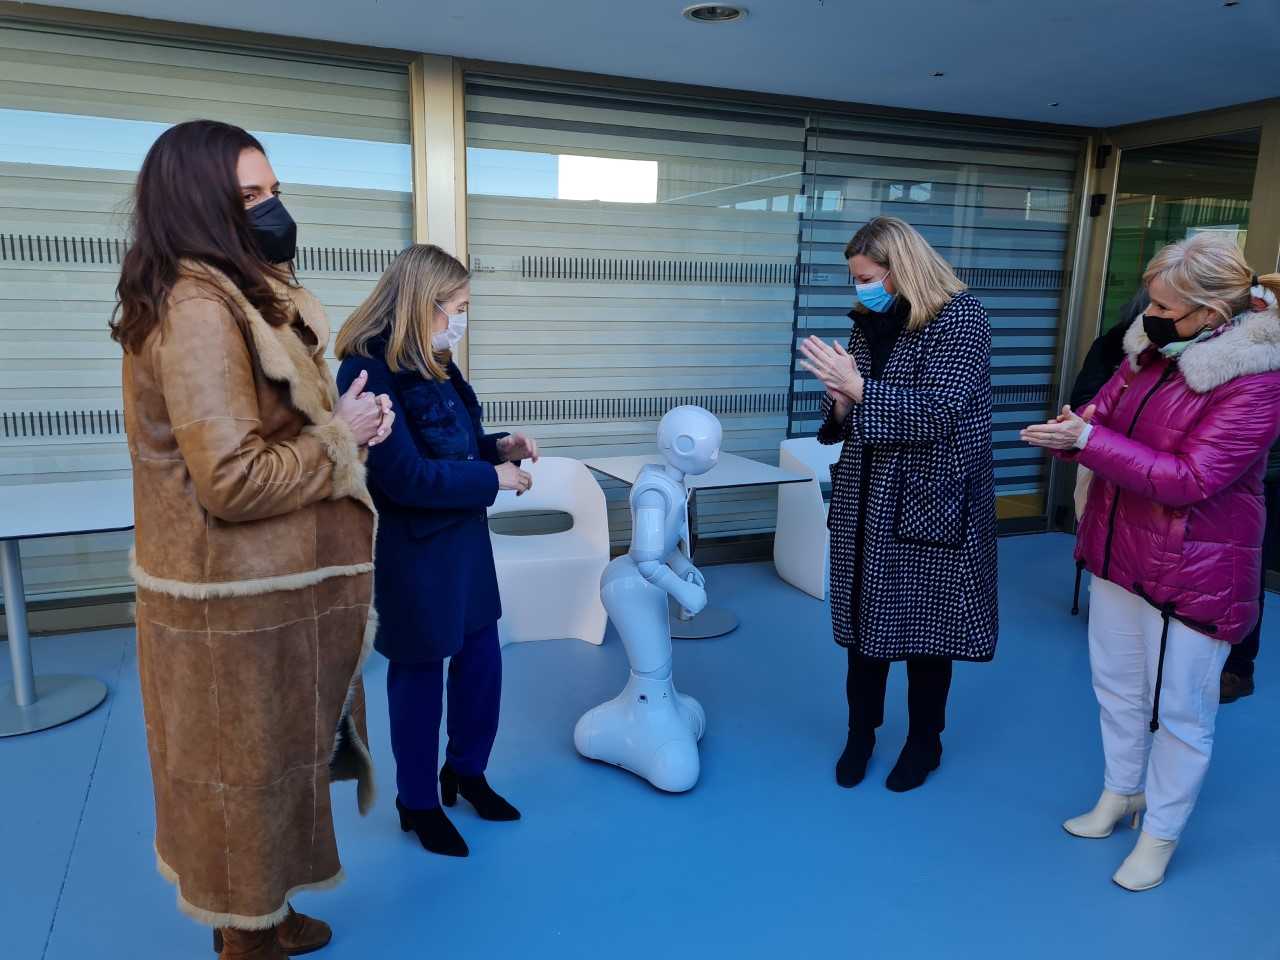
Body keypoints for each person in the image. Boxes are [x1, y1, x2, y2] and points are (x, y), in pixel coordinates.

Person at [114, 120, 392, 960]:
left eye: (273, 191)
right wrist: (340, 435)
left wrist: (342, 430)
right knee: (241, 780)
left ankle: (261, 915)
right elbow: (230, 479)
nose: (273, 211)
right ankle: (245, 937)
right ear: (200, 204)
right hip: (228, 599)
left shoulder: (236, 291)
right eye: (249, 197)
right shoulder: (199, 308)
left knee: (274, 768)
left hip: (262, 592)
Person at [1022, 234, 1280, 891]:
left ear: (1212, 313)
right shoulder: (1149, 352)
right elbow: (1100, 416)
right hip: (1121, 549)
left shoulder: (1255, 379)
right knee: (1117, 689)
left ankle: (1160, 834)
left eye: (1165, 305)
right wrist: (1070, 433)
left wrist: (1090, 441)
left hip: (1196, 570)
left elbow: (1192, 479)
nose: (1151, 314)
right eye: (1152, 303)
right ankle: (1121, 793)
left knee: (1183, 714)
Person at [335, 244, 537, 858]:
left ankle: (467, 773)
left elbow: (461, 441)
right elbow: (403, 479)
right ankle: (417, 801)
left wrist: (499, 447)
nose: (461, 319)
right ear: (422, 304)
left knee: (482, 667)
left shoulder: (439, 363)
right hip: (414, 552)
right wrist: (492, 480)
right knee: (419, 679)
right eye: (456, 307)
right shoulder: (366, 371)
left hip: (466, 545)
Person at [798, 216, 998, 793]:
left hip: (928, 498)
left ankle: (924, 742)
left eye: (866, 276)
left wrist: (860, 391)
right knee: (864, 632)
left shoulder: (961, 319)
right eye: (855, 278)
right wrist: (840, 403)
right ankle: (861, 734)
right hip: (866, 496)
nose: (858, 287)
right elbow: (851, 416)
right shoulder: (869, 322)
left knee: (925, 634)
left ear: (900, 268)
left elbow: (939, 411)